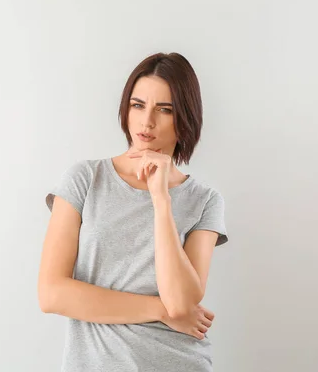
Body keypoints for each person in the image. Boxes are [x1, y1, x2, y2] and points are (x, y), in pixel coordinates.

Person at [38, 52, 229, 371]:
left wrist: (161, 201)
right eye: (138, 105)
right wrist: (161, 309)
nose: (146, 122)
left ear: (185, 117)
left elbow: (182, 303)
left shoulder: (205, 200)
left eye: (164, 110)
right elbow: (52, 294)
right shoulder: (86, 179)